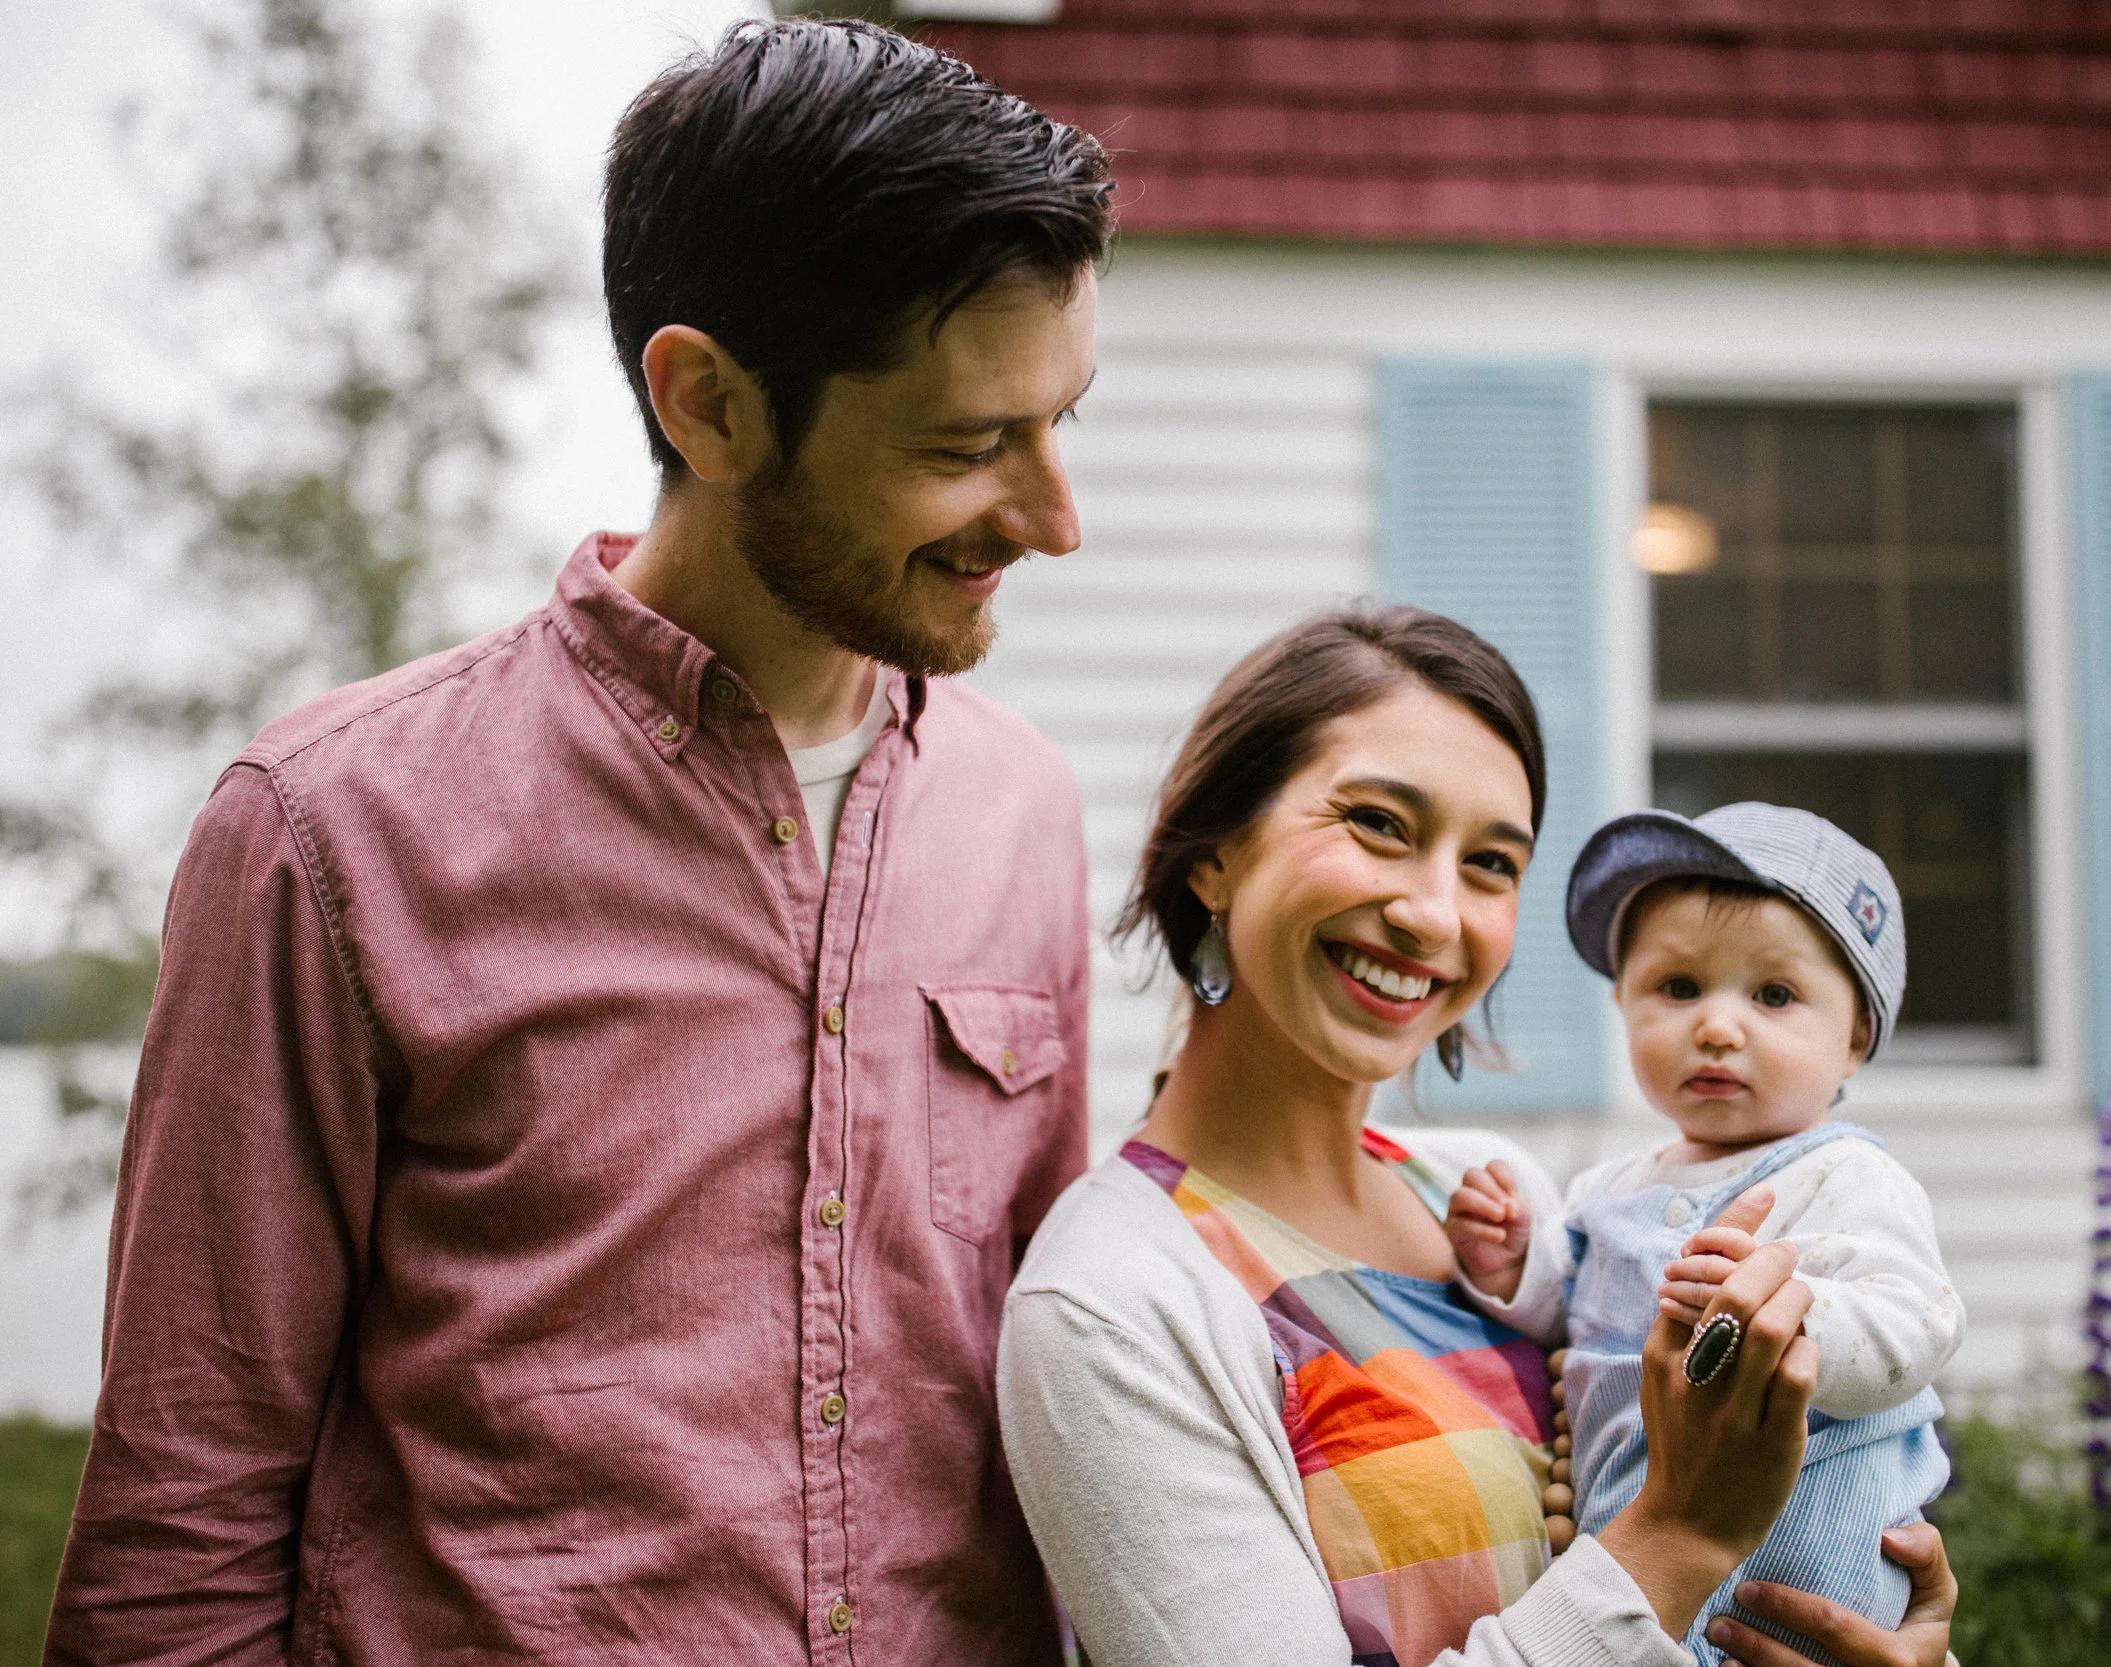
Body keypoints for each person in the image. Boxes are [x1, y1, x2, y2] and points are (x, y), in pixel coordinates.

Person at [47, 20, 1111, 1664]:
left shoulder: (1026, 811)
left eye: (1064, 420)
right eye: (966, 445)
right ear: (708, 403)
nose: (1057, 521)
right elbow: (180, 1515)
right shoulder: (331, 830)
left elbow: (1051, 1381)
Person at [999, 612, 1959, 1667]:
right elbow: (1661, 1533)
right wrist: (1678, 1534)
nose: (1433, 914)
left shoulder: (1483, 1200)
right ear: (1214, 852)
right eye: (1377, 823)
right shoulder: (1114, 1304)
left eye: (1492, 863)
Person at [1446, 805, 1963, 1667]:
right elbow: (1563, 1310)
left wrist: (1792, 1317)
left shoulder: (1847, 1176)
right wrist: (1514, 1262)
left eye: (1774, 995)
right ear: (1623, 1002)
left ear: (1855, 1038)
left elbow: (1917, 1324)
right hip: (1642, 1588)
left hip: (1808, 1583)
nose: (1718, 1026)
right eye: (1679, 987)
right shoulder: (1608, 1188)